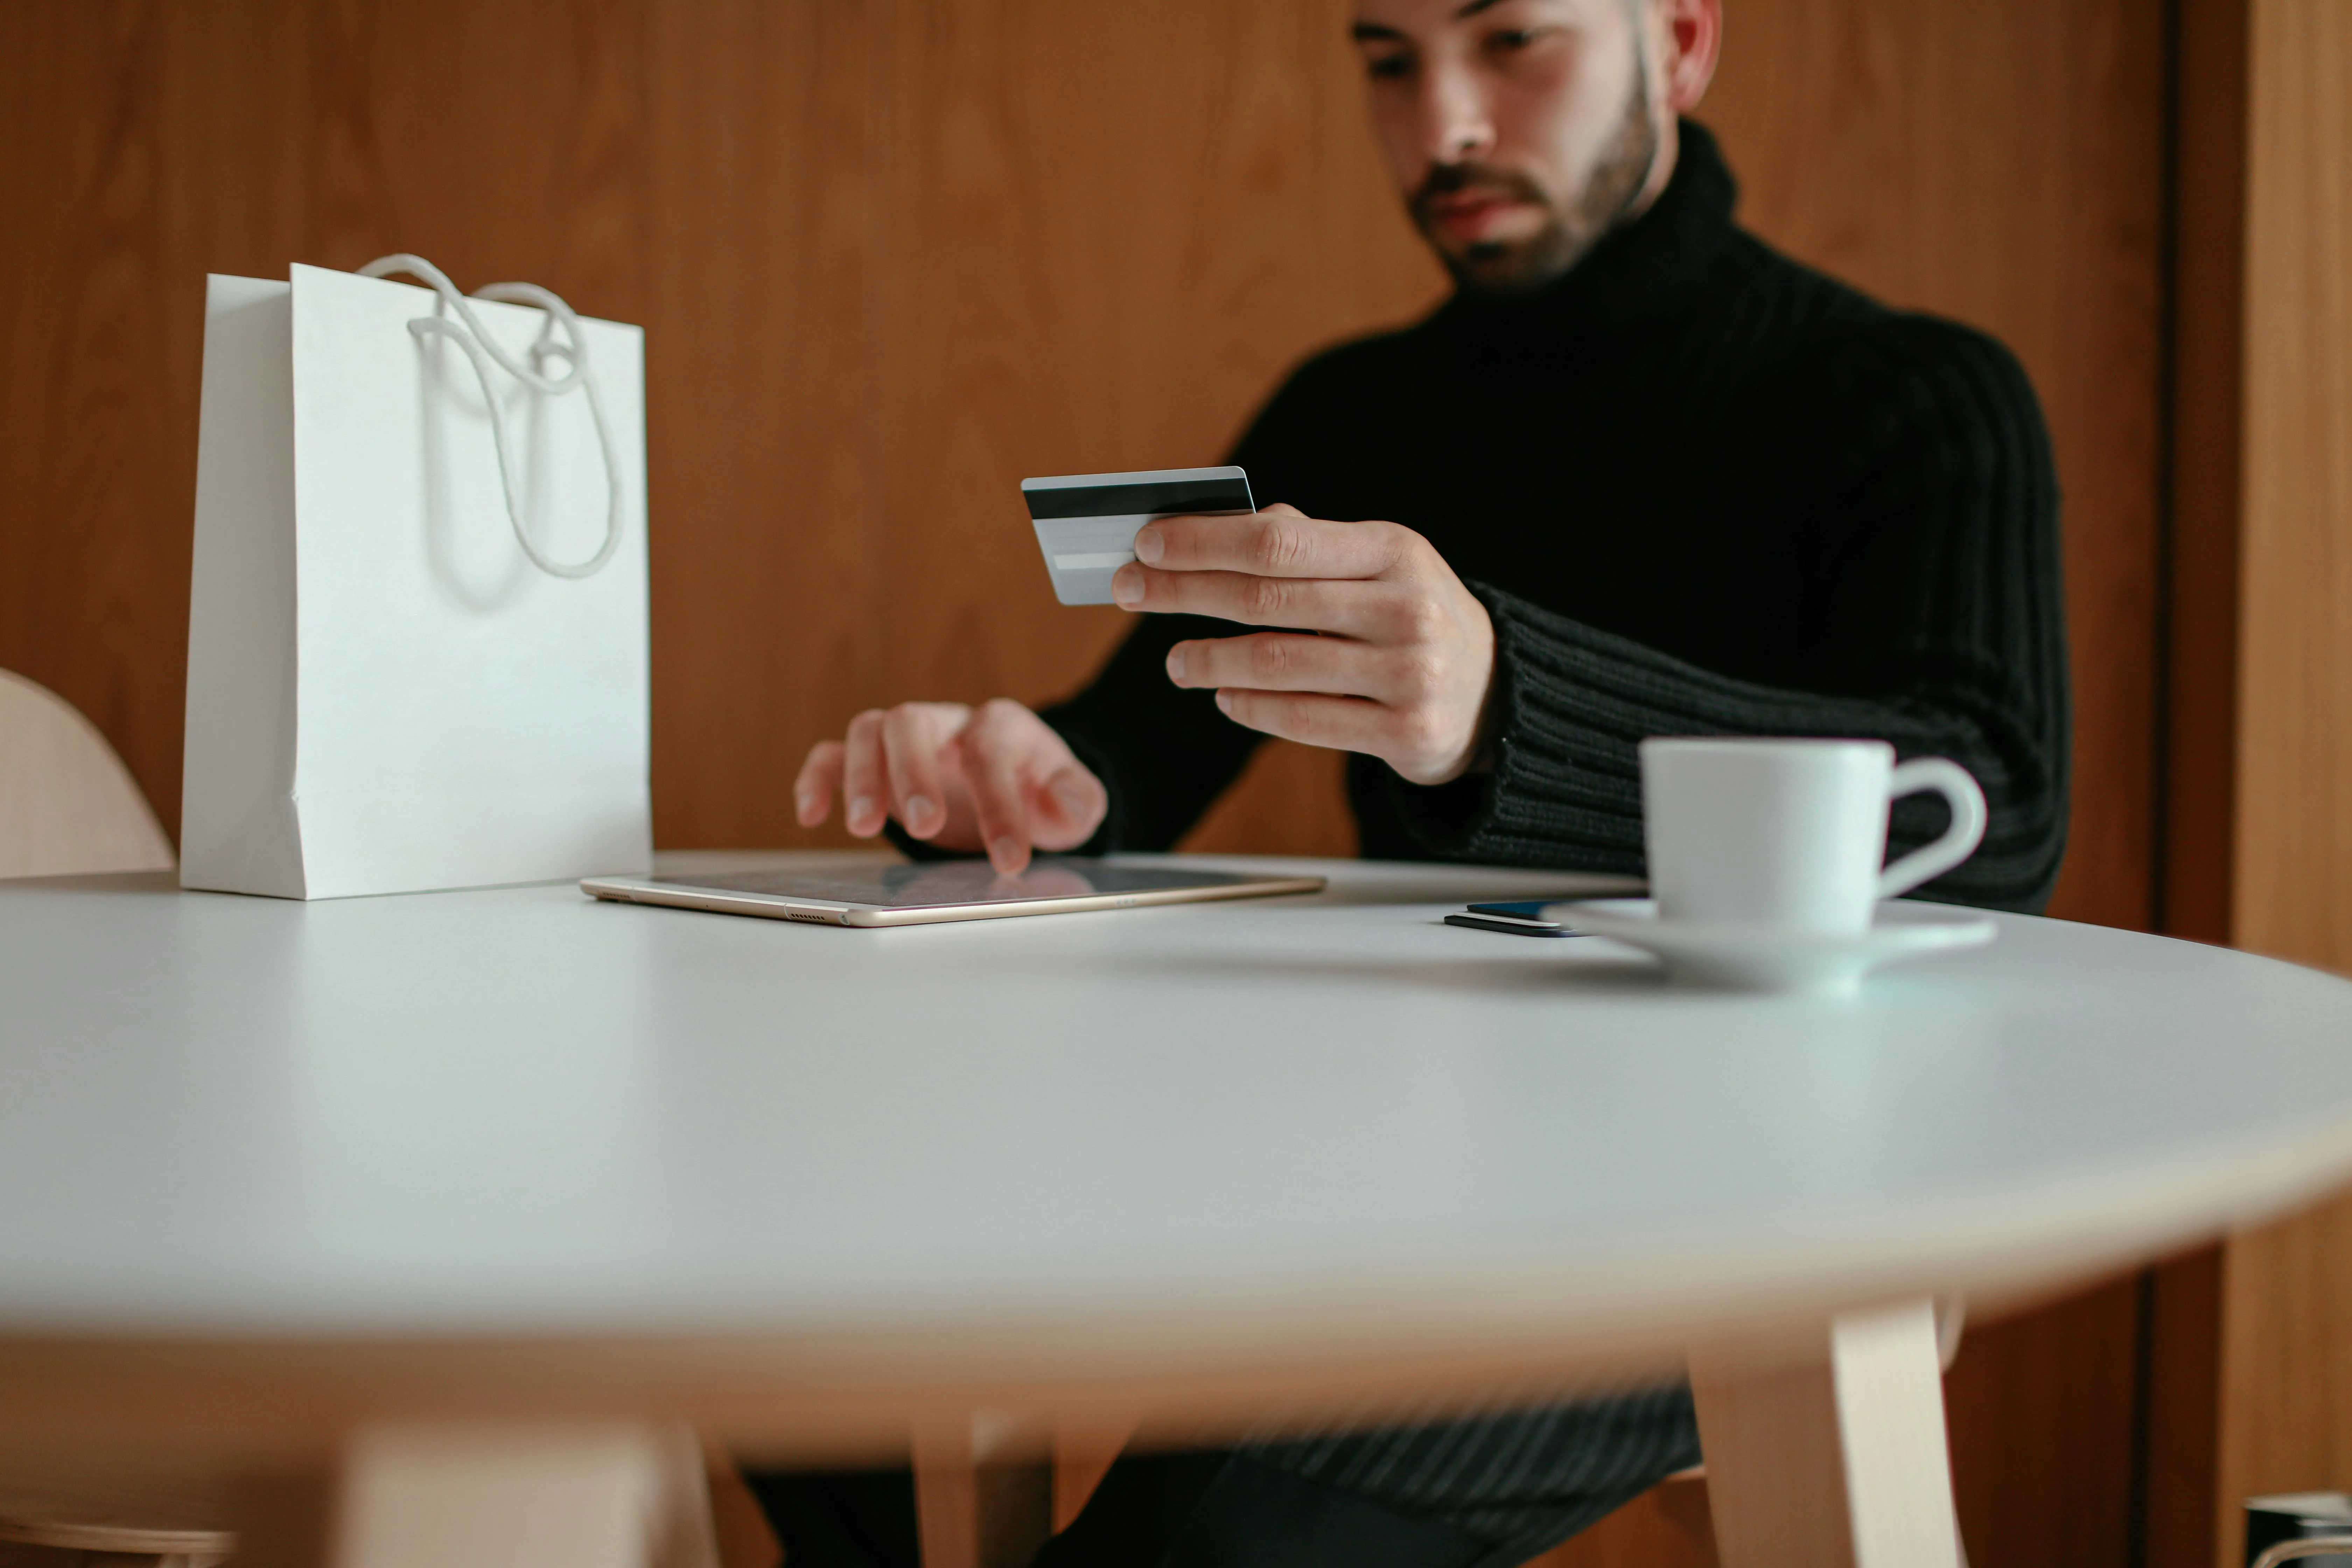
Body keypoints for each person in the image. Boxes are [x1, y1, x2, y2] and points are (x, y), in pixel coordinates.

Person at [758, 0, 2067, 1560]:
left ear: (1686, 42)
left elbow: (1998, 811)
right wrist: (1024, 779)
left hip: (1764, 1180)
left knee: (1216, 1534)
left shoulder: (1916, 394)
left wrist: (1510, 700)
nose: (1443, 121)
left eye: (1513, 39)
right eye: (1388, 58)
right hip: (1369, 1143)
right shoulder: (1352, 412)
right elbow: (1142, 744)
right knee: (771, 1317)